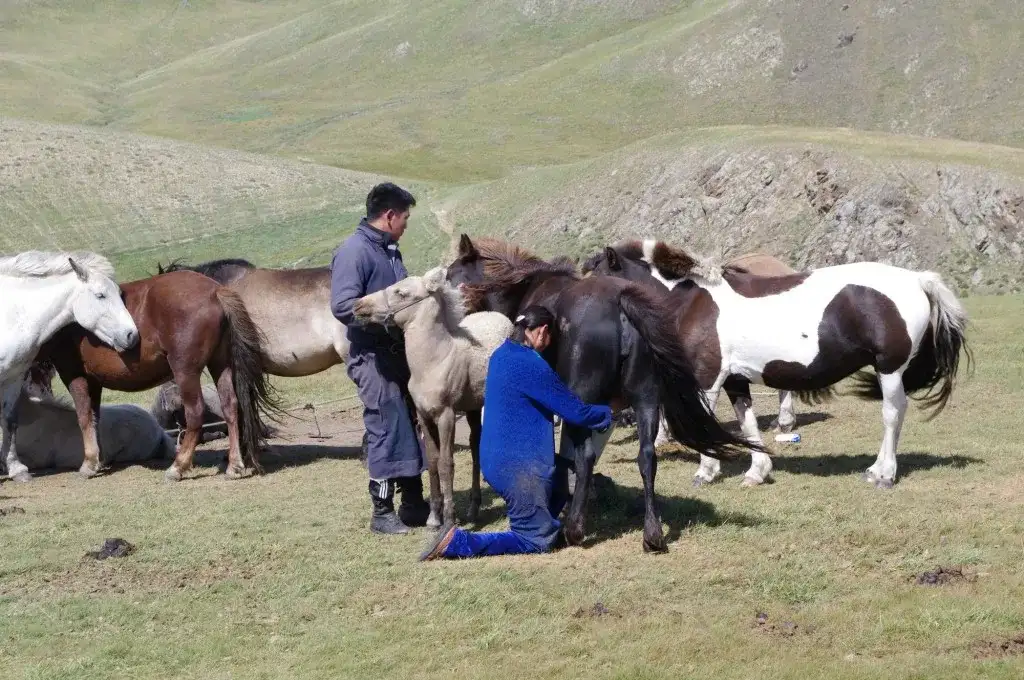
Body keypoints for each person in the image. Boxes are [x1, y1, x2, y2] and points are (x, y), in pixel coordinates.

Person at [419, 306, 612, 560]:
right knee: (536, 540)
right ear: (542, 332)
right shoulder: (531, 365)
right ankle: (460, 543)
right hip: (518, 469)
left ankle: (543, 517)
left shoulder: (501, 355)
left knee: (562, 472)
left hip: (497, 460)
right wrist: (608, 413)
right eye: (551, 336)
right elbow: (575, 412)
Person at [330, 182, 431, 535]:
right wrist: (388, 320)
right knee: (385, 427)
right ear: (389, 216)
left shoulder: (389, 250)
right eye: (404, 218)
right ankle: (382, 512)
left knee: (408, 424)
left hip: (397, 355)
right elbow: (343, 307)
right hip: (371, 358)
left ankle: (414, 503)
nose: (405, 225)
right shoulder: (354, 252)